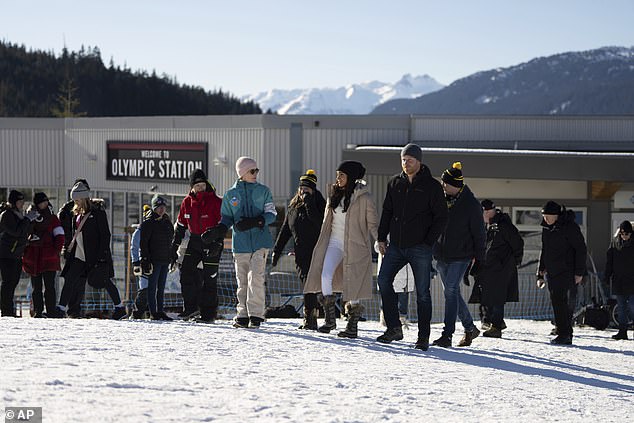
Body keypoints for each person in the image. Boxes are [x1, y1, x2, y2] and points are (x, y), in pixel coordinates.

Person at [376, 143, 448, 350]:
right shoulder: (394, 183)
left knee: (423, 293)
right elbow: (387, 212)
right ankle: (394, 328)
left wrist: (428, 242)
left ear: (419, 161)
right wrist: (382, 237)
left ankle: (423, 337)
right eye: (403, 160)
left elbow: (441, 217)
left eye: (410, 160)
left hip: (420, 248)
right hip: (396, 246)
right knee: (383, 280)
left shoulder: (432, 186)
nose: (405, 163)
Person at [304, 160, 379, 338]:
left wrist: (379, 240)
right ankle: (330, 320)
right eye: (337, 175)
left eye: (342, 175)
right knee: (325, 274)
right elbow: (326, 221)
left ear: (351, 177)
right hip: (334, 242)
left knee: (353, 283)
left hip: (356, 246)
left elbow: (373, 223)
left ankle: (352, 326)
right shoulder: (333, 195)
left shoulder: (364, 198)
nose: (338, 178)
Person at [208, 157, 277, 329]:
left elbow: (272, 214)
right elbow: (226, 217)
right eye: (252, 171)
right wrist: (220, 229)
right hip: (240, 244)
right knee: (242, 280)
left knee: (256, 277)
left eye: (256, 171)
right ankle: (243, 314)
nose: (255, 174)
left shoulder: (263, 191)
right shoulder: (231, 194)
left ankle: (256, 314)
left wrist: (257, 221)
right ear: (242, 173)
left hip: (260, 241)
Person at [432, 162, 486, 348]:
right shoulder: (441, 199)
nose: (443, 186)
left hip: (461, 255)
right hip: (441, 254)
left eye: (446, 184)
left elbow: (480, 234)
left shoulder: (471, 205)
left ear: (456, 185)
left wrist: (479, 259)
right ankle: (470, 328)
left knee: (451, 291)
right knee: (452, 293)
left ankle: (447, 335)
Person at [56, 180, 126, 320]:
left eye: (77, 199)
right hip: (79, 253)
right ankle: (61, 308)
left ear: (84, 197)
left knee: (105, 281)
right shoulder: (76, 212)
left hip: (94, 255)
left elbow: (105, 235)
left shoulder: (97, 212)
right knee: (69, 279)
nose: (75, 201)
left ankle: (119, 308)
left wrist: (101, 256)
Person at [272, 169, 326, 330]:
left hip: (318, 252)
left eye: (308, 188)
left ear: (313, 189)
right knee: (307, 285)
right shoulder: (293, 207)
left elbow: (320, 224)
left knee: (318, 286)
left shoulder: (319, 203)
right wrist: (277, 250)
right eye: (302, 188)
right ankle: (310, 318)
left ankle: (323, 314)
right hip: (301, 253)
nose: (304, 191)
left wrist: (309, 203)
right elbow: (285, 231)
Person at [170, 169, 223, 323]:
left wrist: (217, 242)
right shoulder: (187, 202)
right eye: (197, 185)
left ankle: (208, 314)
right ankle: (191, 308)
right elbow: (180, 227)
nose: (200, 188)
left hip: (212, 242)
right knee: (186, 272)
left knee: (209, 279)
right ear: (191, 187)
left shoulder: (216, 201)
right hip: (194, 241)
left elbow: (223, 225)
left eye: (202, 185)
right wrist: (174, 248)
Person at [469, 199, 524, 338]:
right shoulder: (489, 226)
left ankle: (496, 327)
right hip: (489, 269)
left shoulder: (503, 225)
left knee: (497, 298)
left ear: (487, 212)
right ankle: (494, 321)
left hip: (501, 269)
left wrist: (514, 261)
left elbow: (517, 243)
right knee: (488, 296)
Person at [537, 200, 587, 345]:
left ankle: (565, 334)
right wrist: (540, 273)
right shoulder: (546, 228)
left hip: (567, 271)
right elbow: (544, 250)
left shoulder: (569, 228)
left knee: (563, 303)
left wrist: (579, 272)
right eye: (544, 215)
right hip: (552, 272)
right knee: (557, 302)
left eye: (548, 216)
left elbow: (581, 249)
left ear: (557, 215)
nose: (545, 218)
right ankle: (563, 331)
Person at [22, 192, 65, 318]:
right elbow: (24, 233)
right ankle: (38, 311)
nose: (45, 204)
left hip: (49, 258)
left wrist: (55, 251)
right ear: (37, 203)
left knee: (50, 287)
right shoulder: (30, 217)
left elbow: (60, 236)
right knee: (36, 288)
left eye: (46, 201)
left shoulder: (52, 218)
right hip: (33, 257)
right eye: (42, 202)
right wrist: (28, 222)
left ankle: (51, 311)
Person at [0, 190, 39, 317]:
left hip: (16, 254)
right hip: (6, 254)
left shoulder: (19, 215)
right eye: (20, 201)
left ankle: (8, 310)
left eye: (23, 201)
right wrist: (27, 219)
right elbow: (16, 231)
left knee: (13, 282)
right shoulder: (7, 215)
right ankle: (6, 311)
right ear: (13, 202)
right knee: (8, 282)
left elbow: (23, 232)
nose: (22, 203)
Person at [58, 178, 91, 318]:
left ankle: (74, 310)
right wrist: (66, 246)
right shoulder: (68, 209)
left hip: (86, 251)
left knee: (80, 282)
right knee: (71, 280)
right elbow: (63, 228)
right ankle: (65, 308)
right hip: (73, 250)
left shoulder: (91, 209)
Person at [140, 195, 174, 321]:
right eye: (159, 207)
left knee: (161, 287)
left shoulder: (167, 222)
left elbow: (170, 240)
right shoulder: (149, 223)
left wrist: (172, 255)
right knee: (152, 287)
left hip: (165, 259)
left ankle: (160, 310)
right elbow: (143, 243)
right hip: (154, 260)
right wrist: (145, 259)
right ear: (154, 208)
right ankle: (153, 312)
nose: (161, 209)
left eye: (163, 207)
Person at [603, 220, 634, 340]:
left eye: (627, 234)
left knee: (632, 305)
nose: (624, 236)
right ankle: (622, 331)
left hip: (632, 280)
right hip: (619, 280)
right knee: (621, 307)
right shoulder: (615, 243)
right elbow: (609, 261)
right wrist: (607, 276)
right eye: (622, 234)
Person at [130, 205, 152, 319]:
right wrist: (136, 262)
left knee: (153, 288)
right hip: (143, 262)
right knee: (144, 287)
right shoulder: (140, 230)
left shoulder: (156, 229)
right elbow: (134, 247)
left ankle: (150, 311)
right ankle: (137, 312)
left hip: (154, 262)